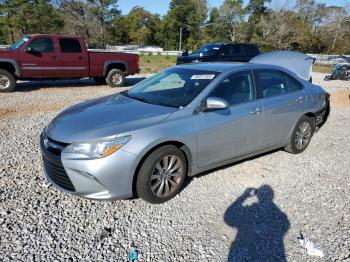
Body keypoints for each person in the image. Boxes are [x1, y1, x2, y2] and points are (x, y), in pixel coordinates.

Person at [224, 185, 290, 261]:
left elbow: (228, 217)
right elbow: (285, 225)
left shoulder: (278, 214)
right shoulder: (279, 214)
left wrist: (244, 196)